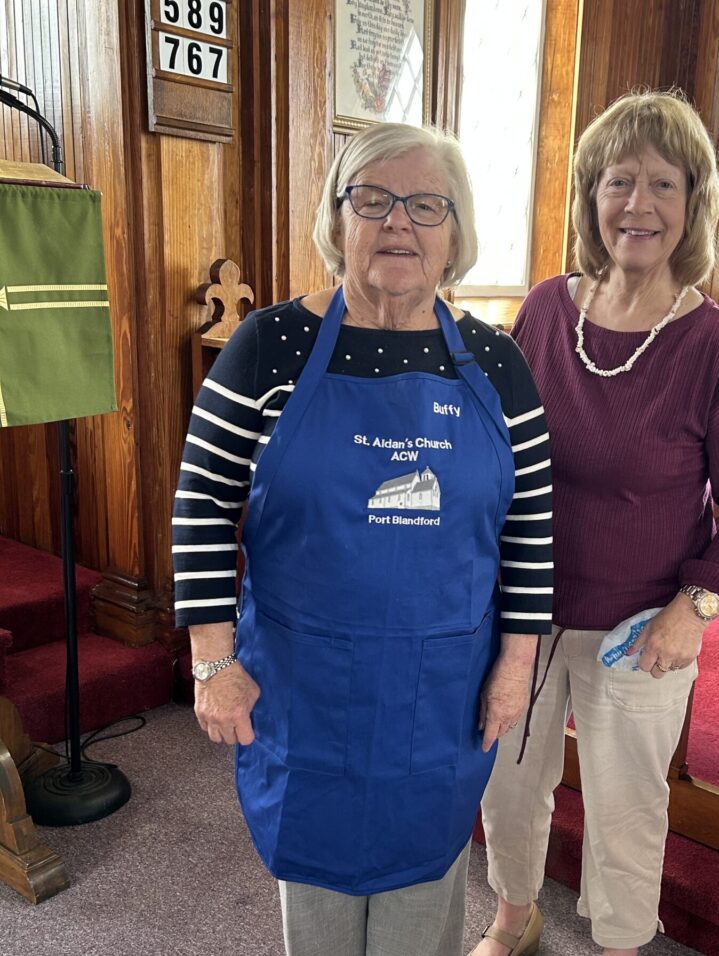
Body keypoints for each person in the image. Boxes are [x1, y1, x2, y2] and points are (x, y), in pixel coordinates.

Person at [172, 122, 553, 956]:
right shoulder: (269, 346)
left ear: (456, 231)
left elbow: (530, 528)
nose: (398, 222)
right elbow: (201, 504)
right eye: (372, 199)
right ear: (337, 217)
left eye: (426, 205)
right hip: (303, 689)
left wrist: (516, 666)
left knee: (423, 897)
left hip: (442, 690)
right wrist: (211, 660)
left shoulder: (496, 363)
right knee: (317, 905)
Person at [472, 91, 719, 956]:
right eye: (618, 180)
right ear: (591, 195)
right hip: (524, 612)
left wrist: (698, 605)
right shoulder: (547, 310)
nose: (637, 204)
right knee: (508, 783)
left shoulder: (717, 346)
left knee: (624, 808)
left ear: (693, 203)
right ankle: (513, 918)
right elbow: (496, 447)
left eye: (662, 183)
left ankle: (620, 945)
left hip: (640, 627)